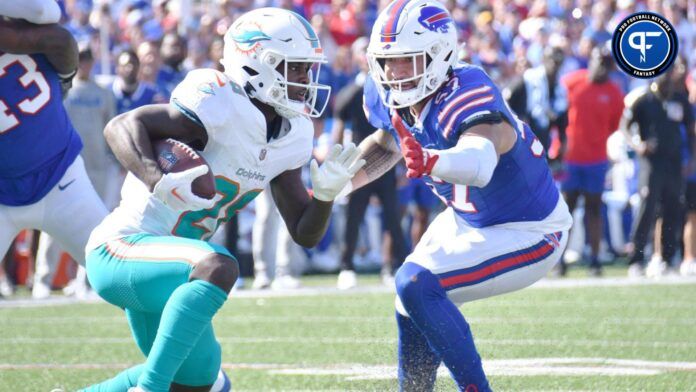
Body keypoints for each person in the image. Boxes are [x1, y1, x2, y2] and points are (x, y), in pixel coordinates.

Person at [82, 8, 363, 392]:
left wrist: (326, 197)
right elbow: (121, 127)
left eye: (307, 69)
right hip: (122, 248)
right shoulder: (218, 99)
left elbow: (304, 232)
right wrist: (156, 180)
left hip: (174, 275)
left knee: (203, 385)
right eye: (294, 68)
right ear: (256, 64)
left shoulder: (293, 132)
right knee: (220, 265)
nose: (305, 80)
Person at [345, 0, 572, 390]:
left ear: (438, 55)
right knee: (408, 300)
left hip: (531, 230)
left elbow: (480, 162)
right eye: (387, 61)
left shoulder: (468, 90)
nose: (393, 73)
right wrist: (338, 181)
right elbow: (386, 144)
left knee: (415, 283)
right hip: (469, 219)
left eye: (406, 60)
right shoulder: (389, 93)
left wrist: (432, 159)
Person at [0, 10, 108, 287]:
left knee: (121, 273)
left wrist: (19, 38)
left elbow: (60, 39)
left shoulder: (35, 28)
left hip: (61, 175)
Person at [33, 43, 118, 299]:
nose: (84, 63)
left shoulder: (103, 93)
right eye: (80, 58)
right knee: (54, 223)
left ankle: (88, 279)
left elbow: (111, 127)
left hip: (97, 166)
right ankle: (43, 279)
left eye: (87, 58)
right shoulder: (60, 89)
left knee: (97, 225)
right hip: (66, 165)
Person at [332, 36, 408, 289]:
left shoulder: (391, 90)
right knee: (354, 215)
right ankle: (347, 266)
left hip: (386, 160)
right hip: (359, 160)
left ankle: (394, 265)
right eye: (361, 51)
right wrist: (338, 163)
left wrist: (401, 165)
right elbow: (340, 126)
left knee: (392, 216)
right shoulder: (352, 92)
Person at [622, 56, 694, 278]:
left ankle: (665, 257)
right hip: (651, 163)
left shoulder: (680, 99)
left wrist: (692, 158)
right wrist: (638, 145)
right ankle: (636, 259)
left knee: (672, 208)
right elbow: (625, 126)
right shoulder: (643, 99)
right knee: (647, 208)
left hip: (673, 163)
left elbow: (691, 130)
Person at [555, 45, 624, 277]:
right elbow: (557, 109)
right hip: (570, 159)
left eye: (606, 64)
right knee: (567, 211)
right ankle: (559, 260)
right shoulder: (572, 82)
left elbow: (614, 124)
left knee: (594, 209)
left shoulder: (614, 93)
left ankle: (594, 259)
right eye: (598, 61)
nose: (601, 67)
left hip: (595, 159)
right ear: (591, 60)